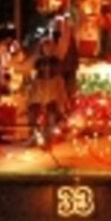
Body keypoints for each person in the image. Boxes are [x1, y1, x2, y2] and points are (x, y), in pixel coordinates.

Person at [23, 17, 75, 147]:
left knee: (52, 116)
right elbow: (24, 66)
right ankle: (34, 137)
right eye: (44, 46)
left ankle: (48, 139)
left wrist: (65, 26)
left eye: (49, 46)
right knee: (34, 114)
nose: (46, 49)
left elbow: (64, 42)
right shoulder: (37, 59)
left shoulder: (57, 57)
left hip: (53, 89)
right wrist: (10, 62)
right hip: (39, 89)